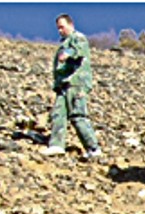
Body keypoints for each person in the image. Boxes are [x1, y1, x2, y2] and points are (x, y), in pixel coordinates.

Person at [42, 13, 102, 158]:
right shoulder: (65, 42)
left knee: (77, 115)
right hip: (64, 85)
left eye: (62, 27)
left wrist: (68, 54)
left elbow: (78, 50)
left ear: (70, 25)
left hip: (76, 83)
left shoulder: (77, 38)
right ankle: (57, 145)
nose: (60, 31)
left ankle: (93, 148)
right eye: (58, 28)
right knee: (58, 114)